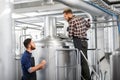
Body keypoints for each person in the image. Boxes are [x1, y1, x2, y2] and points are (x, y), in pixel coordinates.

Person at [63, 8, 91, 80]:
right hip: (84, 42)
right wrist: (82, 31)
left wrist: (68, 30)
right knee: (84, 61)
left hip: (78, 42)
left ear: (68, 14)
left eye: (65, 16)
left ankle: (87, 79)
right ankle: (84, 78)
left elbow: (70, 35)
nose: (65, 18)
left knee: (82, 62)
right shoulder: (81, 18)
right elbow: (88, 26)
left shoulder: (72, 21)